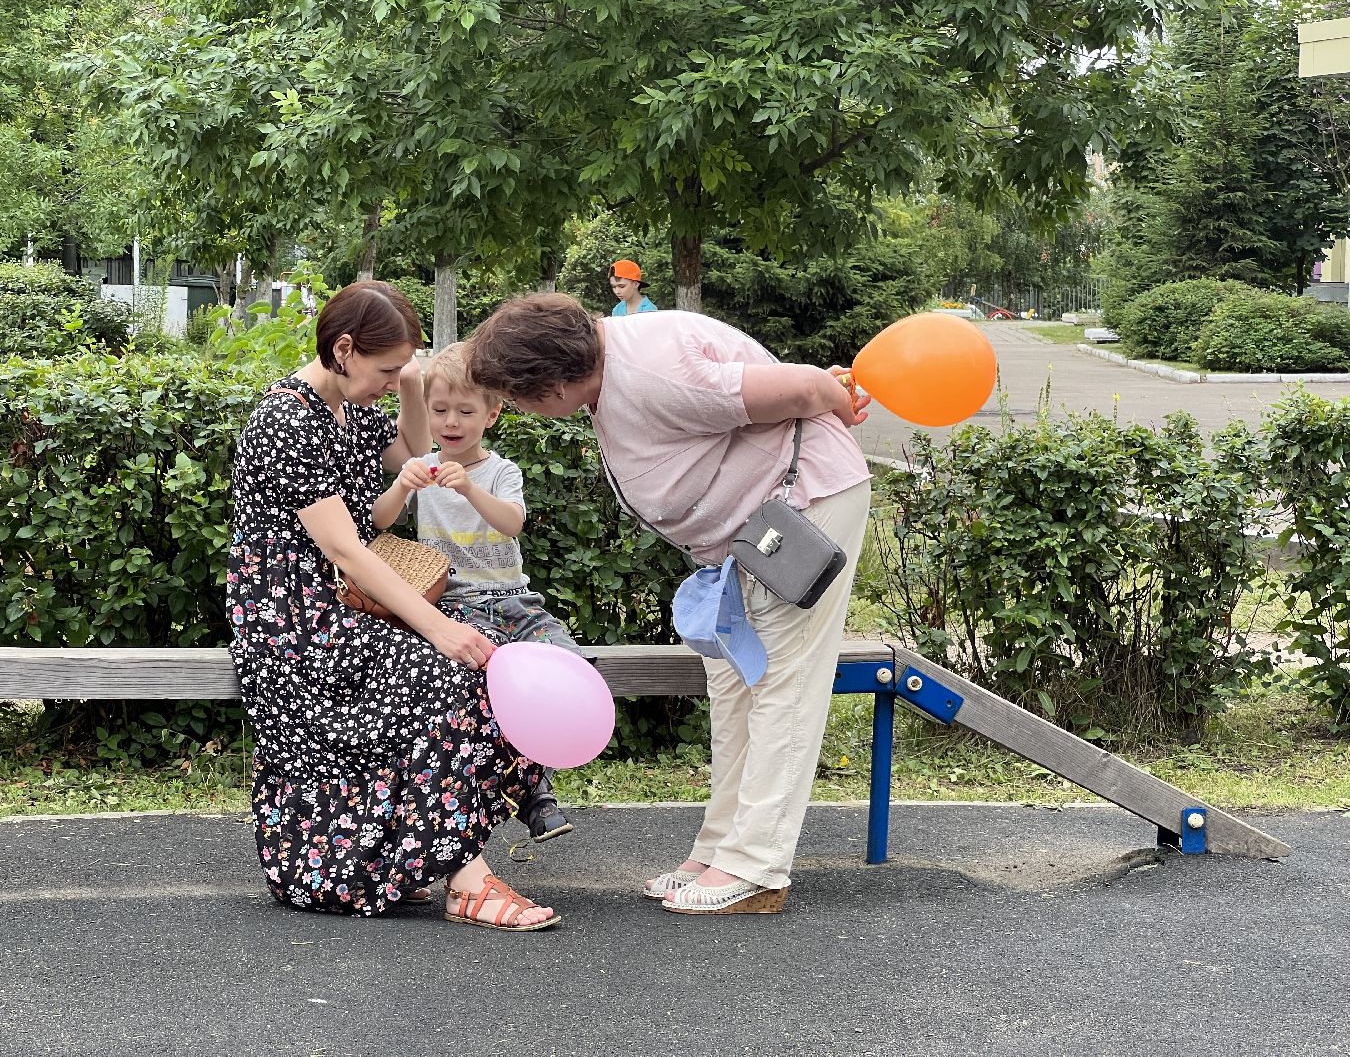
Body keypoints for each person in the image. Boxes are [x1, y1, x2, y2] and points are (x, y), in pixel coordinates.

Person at [467, 293, 871, 916]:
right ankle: (720, 850)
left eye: (519, 397)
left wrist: (842, 397)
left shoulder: (652, 368)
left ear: (549, 383)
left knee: (782, 683)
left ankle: (758, 866)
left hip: (798, 514)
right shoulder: (611, 366)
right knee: (735, 684)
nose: (523, 410)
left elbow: (805, 389)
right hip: (748, 533)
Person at [226, 279, 558, 930]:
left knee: (468, 679)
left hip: (341, 615)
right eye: (384, 369)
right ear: (343, 349)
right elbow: (346, 551)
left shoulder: (343, 408)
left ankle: (441, 866)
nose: (390, 381)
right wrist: (440, 629)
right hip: (292, 626)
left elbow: (413, 454)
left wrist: (409, 379)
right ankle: (468, 881)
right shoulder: (286, 422)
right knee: (454, 676)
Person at [371, 341, 580, 844]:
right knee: (490, 685)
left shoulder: (501, 471)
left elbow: (512, 524)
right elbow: (377, 521)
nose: (451, 422)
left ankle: (531, 775)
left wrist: (468, 489)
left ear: (492, 414)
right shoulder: (422, 465)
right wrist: (403, 485)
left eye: (466, 411)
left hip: (515, 600)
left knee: (566, 665)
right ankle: (534, 793)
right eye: (439, 410)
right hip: (456, 606)